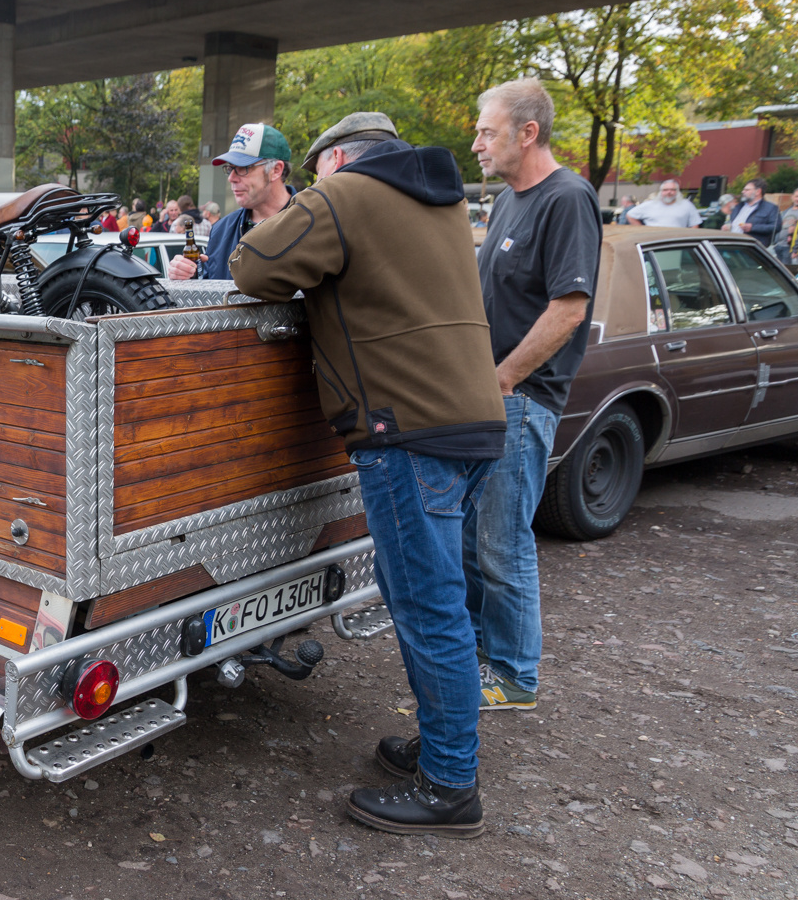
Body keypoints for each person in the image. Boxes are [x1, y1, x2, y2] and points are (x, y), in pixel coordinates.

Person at [229, 111, 504, 837]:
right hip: (472, 420)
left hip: (406, 430)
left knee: (428, 608)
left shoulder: (348, 193)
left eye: (321, 168)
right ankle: (444, 749)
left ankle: (450, 787)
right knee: (445, 603)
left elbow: (253, 265)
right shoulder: (440, 201)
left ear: (339, 156)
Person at [468, 78, 603, 713]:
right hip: (488, 398)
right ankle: (475, 668)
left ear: (528, 132)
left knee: (502, 544)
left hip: (519, 402)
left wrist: (502, 378)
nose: (476, 143)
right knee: (473, 542)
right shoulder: (506, 201)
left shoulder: (567, 198)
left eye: (487, 131)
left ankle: (515, 676)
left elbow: (568, 310)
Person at [167, 123, 295, 281]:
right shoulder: (221, 230)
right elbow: (212, 294)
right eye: (230, 168)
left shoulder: (310, 226)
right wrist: (188, 276)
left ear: (276, 170)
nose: (231, 178)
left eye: (243, 168)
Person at [626, 179, 703, 229]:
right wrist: (641, 230)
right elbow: (630, 215)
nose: (669, 192)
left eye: (673, 190)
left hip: (678, 243)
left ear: (677, 192)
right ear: (661, 192)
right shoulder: (649, 205)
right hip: (652, 243)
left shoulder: (687, 205)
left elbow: (695, 224)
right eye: (665, 190)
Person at [727, 178, 781, 246]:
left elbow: (776, 227)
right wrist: (728, 227)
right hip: (732, 245)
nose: (743, 192)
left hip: (751, 249)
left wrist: (753, 228)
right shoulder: (738, 207)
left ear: (758, 192)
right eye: (744, 189)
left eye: (747, 190)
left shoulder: (770, 208)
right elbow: (732, 222)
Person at [777, 188, 798, 264]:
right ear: (792, 197)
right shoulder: (786, 211)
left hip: (790, 247)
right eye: (796, 196)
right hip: (778, 245)